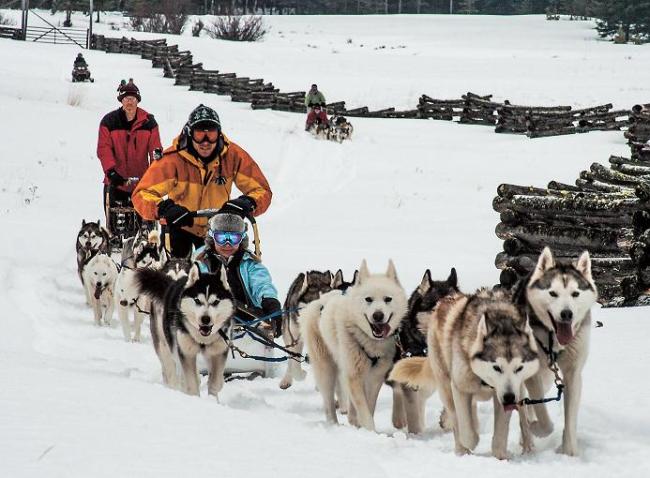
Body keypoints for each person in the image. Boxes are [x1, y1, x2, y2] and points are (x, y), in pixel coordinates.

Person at [132, 104, 273, 258]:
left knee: (226, 274)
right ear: (190, 133)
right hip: (181, 225)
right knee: (174, 275)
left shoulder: (233, 155)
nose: (205, 142)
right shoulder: (172, 159)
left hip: (218, 229)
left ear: (219, 135)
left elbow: (262, 190)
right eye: (200, 135)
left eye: (211, 135)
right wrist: (162, 208)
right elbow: (141, 194)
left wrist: (247, 202)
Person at [195, 211, 282, 337]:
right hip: (209, 324)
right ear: (212, 238)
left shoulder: (250, 264)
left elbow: (262, 284)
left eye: (234, 238)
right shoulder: (199, 262)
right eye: (221, 238)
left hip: (249, 321)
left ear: (241, 240)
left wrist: (270, 302)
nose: (227, 244)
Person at [97, 79, 162, 232]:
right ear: (121, 101)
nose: (129, 102)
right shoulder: (109, 121)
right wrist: (111, 171)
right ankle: (114, 238)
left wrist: (155, 172)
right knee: (112, 218)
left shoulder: (149, 123)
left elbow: (156, 150)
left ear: (137, 101)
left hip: (142, 181)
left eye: (133, 99)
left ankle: (141, 238)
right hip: (116, 180)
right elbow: (103, 149)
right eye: (126, 99)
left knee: (143, 217)